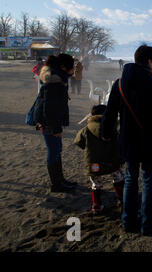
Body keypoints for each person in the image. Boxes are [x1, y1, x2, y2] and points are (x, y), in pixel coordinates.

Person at [101, 44, 152, 235]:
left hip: (128, 141)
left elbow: (110, 113)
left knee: (130, 179)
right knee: (147, 181)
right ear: (149, 61)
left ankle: (128, 221)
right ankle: (148, 223)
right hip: (148, 142)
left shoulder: (119, 84)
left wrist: (106, 133)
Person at [34, 54, 77, 192]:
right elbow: (49, 108)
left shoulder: (58, 76)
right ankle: (56, 184)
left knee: (57, 149)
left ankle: (60, 180)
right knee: (54, 151)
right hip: (48, 122)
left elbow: (73, 76)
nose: (74, 69)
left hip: (49, 121)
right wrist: (55, 128)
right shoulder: (54, 81)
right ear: (64, 67)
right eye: (72, 67)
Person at [74, 105, 125, 214]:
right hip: (111, 160)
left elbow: (79, 142)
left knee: (96, 183)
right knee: (118, 177)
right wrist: (121, 159)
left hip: (94, 163)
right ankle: (121, 199)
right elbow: (118, 144)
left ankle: (96, 205)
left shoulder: (86, 129)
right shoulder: (111, 127)